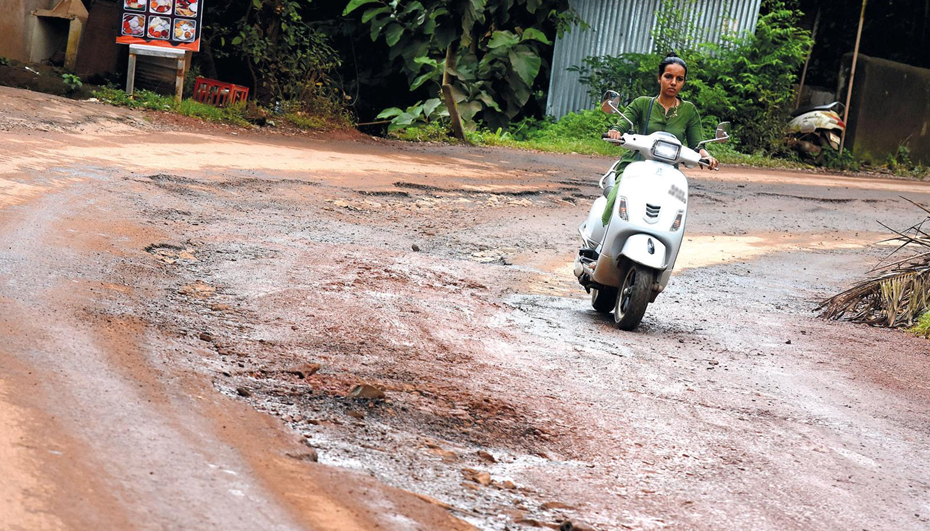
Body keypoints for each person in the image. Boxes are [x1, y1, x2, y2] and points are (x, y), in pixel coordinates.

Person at [601, 52, 718, 225]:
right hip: (636, 166)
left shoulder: (689, 111)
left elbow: (696, 145)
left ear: (684, 82)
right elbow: (622, 125)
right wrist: (615, 133)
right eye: (668, 77)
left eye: (679, 79)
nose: (673, 83)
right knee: (618, 196)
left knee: (679, 202)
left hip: (669, 174)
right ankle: (603, 241)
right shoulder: (642, 103)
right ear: (659, 78)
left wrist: (706, 156)